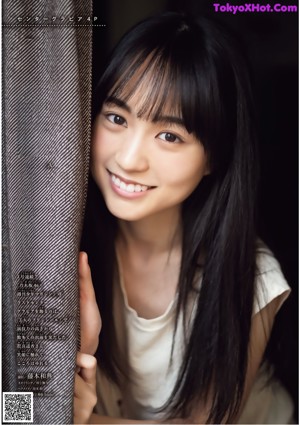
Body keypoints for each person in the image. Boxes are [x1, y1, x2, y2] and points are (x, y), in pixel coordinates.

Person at [74, 12, 293, 424]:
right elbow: (14, 406)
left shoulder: (251, 277)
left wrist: (75, 419)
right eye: (117, 118)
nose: (128, 159)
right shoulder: (52, 242)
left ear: (214, 156)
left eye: (170, 136)